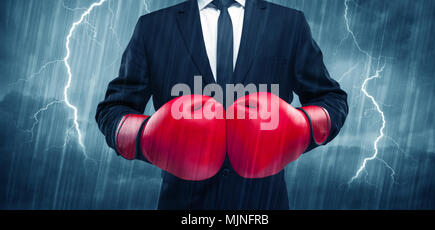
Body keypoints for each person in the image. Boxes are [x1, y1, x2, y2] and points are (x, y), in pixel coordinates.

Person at [96, 0, 348, 210]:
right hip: (184, 207)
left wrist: (301, 128)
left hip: (264, 207)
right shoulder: (153, 27)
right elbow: (113, 110)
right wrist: (147, 138)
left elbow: (331, 99)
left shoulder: (289, 24)